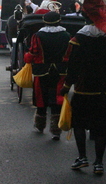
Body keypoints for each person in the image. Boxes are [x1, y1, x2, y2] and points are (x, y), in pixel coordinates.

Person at [61, 0, 106, 176]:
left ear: (85, 15)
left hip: (84, 88)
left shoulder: (80, 37)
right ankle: (99, 163)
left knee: (79, 123)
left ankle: (82, 157)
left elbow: (73, 66)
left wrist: (66, 85)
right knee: (102, 126)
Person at [24, 11, 71, 140]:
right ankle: (56, 129)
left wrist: (27, 58)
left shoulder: (38, 35)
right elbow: (69, 54)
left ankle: (40, 124)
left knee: (41, 96)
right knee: (57, 97)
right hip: (60, 70)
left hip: (42, 70)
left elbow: (33, 52)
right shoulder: (66, 35)